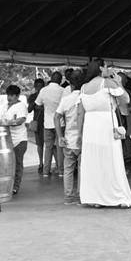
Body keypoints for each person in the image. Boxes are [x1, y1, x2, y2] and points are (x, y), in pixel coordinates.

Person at [78, 61, 131, 208]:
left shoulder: (83, 87)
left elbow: (80, 112)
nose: (108, 69)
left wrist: (79, 133)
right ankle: (118, 197)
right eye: (106, 67)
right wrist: (119, 83)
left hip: (90, 127)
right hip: (106, 125)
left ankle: (96, 198)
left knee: (94, 161)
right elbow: (126, 99)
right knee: (111, 160)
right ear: (100, 69)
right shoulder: (107, 83)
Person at [55, 69, 85, 205]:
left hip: (68, 139)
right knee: (82, 169)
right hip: (83, 139)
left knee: (68, 169)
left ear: (70, 85)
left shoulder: (66, 100)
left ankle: (68, 197)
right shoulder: (86, 98)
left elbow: (56, 117)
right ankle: (80, 196)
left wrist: (60, 136)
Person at [0, 85, 28, 196]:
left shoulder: (21, 106)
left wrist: (8, 122)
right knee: (8, 164)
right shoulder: (5, 106)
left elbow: (21, 120)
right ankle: (8, 185)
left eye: (12, 95)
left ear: (17, 96)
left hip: (19, 139)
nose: (9, 98)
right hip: (7, 140)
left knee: (18, 164)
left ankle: (15, 186)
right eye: (8, 95)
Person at [36, 71, 66, 177]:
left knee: (48, 148)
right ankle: (61, 171)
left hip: (47, 123)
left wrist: (46, 108)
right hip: (60, 123)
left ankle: (45, 172)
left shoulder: (44, 90)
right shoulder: (63, 90)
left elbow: (38, 104)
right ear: (60, 80)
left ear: (52, 79)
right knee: (60, 148)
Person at [28, 78, 45, 173]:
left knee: (51, 145)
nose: (39, 88)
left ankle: (47, 164)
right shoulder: (33, 96)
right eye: (37, 87)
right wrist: (35, 102)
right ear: (35, 87)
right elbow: (29, 109)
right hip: (38, 123)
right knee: (40, 144)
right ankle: (41, 163)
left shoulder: (46, 95)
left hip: (47, 122)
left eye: (41, 87)